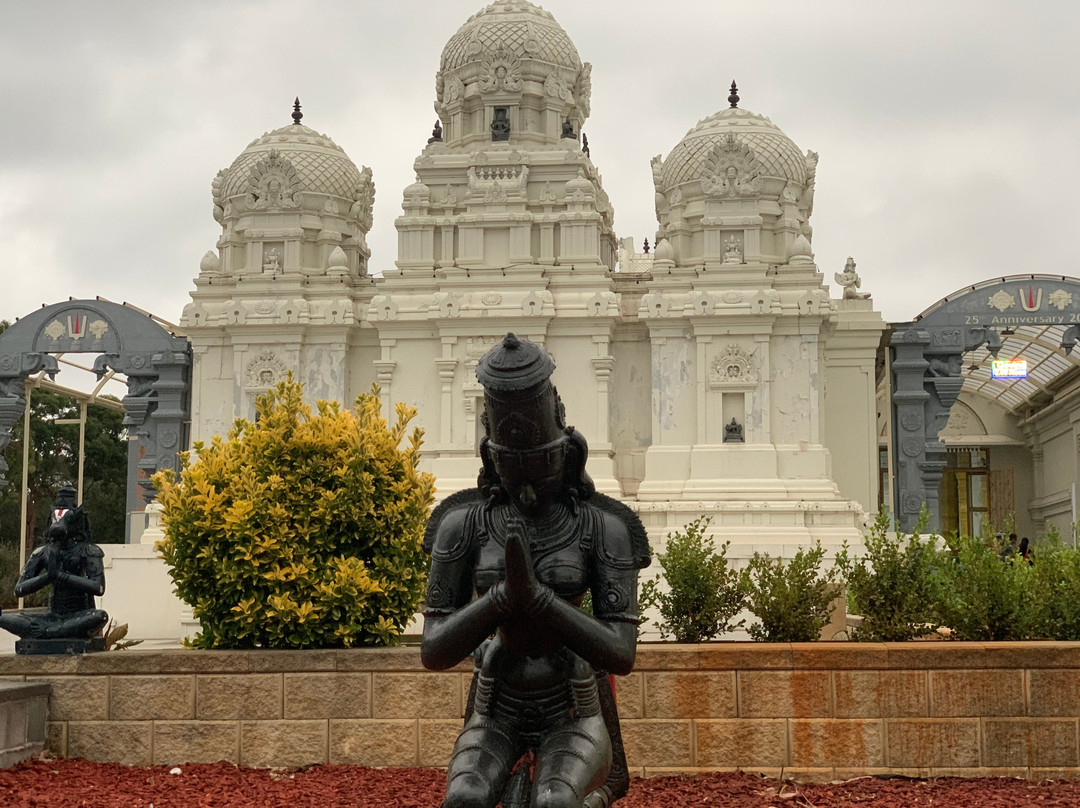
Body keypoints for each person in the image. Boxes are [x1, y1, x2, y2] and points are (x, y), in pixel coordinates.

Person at [421, 333, 650, 808]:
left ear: (568, 451)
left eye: (540, 464)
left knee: (555, 802)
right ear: (490, 458)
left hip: (570, 701)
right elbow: (434, 649)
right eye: (511, 466)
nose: (526, 489)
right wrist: (500, 600)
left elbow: (621, 654)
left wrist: (541, 601)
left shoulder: (600, 527)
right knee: (464, 797)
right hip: (497, 699)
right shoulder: (464, 524)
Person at [0, 485, 108, 643]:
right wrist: (47, 577)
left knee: (99, 616)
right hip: (52, 615)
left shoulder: (89, 550)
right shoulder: (43, 552)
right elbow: (19, 590)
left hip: (78, 614)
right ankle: (52, 630)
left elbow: (98, 588)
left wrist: (62, 576)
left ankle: (49, 632)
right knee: (4, 618)